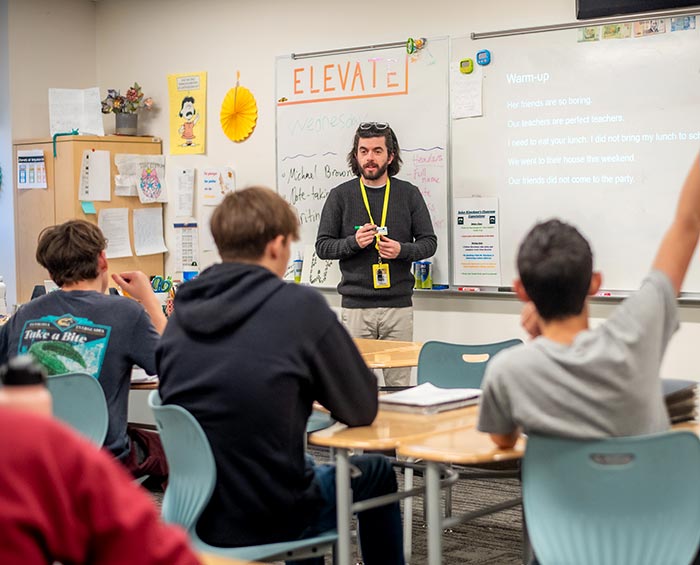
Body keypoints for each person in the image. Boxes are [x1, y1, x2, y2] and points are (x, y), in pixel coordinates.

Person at [157, 187, 404, 565]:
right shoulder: (298, 307)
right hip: (274, 515)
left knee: (301, 469)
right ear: (276, 246)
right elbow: (361, 408)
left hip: (195, 514)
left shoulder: (180, 317)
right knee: (375, 471)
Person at [478, 151, 700, 447]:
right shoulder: (636, 333)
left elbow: (503, 440)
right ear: (595, 283)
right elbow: (688, 224)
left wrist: (537, 341)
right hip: (646, 494)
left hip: (560, 496)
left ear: (521, 291)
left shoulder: (508, 369)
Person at [0, 220, 168, 482]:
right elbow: (175, 367)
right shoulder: (127, 313)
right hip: (100, 461)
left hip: (30, 459)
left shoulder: (25, 315)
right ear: (102, 260)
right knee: (160, 446)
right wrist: (150, 300)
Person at [315, 121, 437, 387]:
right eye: (364, 151)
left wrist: (402, 250)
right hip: (356, 307)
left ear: (390, 156)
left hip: (398, 307)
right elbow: (322, 247)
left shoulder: (408, 194)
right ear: (356, 155)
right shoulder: (340, 196)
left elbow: (429, 243)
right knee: (354, 385)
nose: (370, 158)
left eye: (377, 151)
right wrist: (352, 243)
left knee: (400, 386)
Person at [0, 405, 199, 565]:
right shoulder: (32, 442)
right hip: (110, 456)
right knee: (166, 446)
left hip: (61, 449)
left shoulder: (20, 441)